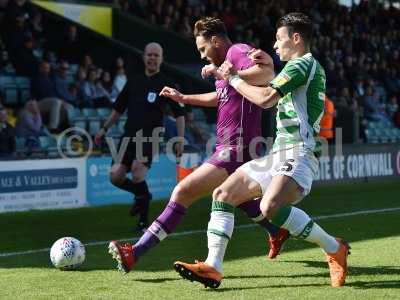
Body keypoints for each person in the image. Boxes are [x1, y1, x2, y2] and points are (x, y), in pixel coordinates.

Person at [174, 13, 350, 289]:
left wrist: (232, 77)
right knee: (223, 193)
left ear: (296, 38)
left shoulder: (302, 65)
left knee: (270, 207)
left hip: (300, 152)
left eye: (279, 40)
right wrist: (267, 70)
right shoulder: (296, 70)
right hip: (279, 152)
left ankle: (333, 247)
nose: (275, 46)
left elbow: (266, 99)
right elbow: (275, 83)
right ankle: (213, 267)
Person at [107, 17, 290, 275]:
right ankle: (276, 231)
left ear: (215, 41)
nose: (203, 56)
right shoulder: (224, 66)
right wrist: (184, 98)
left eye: (203, 49)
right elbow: (221, 96)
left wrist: (227, 74)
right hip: (228, 146)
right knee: (235, 198)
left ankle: (134, 254)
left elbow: (266, 74)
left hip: (237, 147)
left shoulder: (237, 52)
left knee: (183, 192)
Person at [95, 42, 185, 231]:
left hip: (150, 138)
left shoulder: (166, 84)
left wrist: (180, 139)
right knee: (115, 176)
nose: (152, 58)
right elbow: (118, 109)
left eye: (156, 55)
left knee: (137, 171)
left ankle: (144, 222)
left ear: (161, 59)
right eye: (149, 55)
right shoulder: (133, 81)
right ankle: (142, 195)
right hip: (128, 136)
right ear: (144, 57)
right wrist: (103, 129)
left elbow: (179, 114)